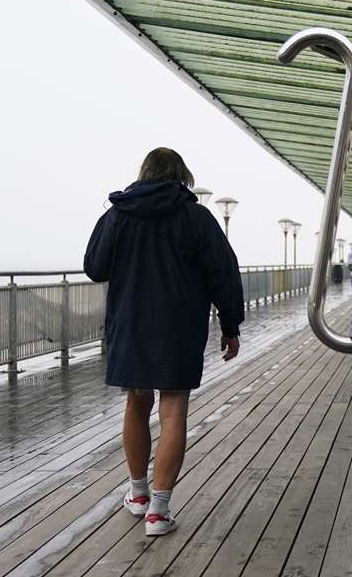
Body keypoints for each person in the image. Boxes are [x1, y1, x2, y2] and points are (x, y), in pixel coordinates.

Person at [84, 147, 243, 537]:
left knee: (136, 403)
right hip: (179, 326)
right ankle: (158, 511)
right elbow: (223, 272)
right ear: (181, 177)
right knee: (174, 411)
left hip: (131, 323)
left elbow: (94, 267)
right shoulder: (196, 218)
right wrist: (230, 324)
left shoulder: (118, 215)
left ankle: (137, 495)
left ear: (143, 174)